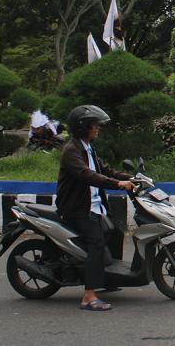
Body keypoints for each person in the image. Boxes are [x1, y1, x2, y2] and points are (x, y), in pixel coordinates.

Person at [56, 105, 135, 311]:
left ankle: (108, 279)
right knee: (96, 243)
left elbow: (104, 170)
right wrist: (117, 184)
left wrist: (130, 178)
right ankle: (88, 296)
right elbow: (87, 175)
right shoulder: (71, 151)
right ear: (83, 127)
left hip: (93, 207)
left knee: (116, 231)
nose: (97, 128)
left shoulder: (87, 148)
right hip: (77, 209)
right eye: (95, 125)